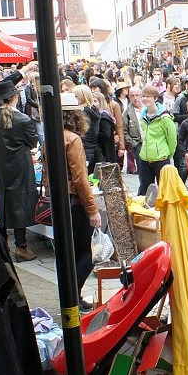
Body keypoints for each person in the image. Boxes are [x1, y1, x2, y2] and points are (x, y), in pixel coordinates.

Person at [0, 82, 38, 262]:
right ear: (15, 97)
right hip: (20, 166)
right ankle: (21, 247)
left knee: (3, 203)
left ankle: (3, 246)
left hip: (0, 166)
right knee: (20, 205)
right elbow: (33, 142)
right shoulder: (23, 119)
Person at [62, 103, 103, 314]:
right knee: (89, 253)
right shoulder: (73, 139)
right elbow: (80, 179)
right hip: (75, 203)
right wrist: (93, 209)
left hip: (62, 203)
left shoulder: (54, 136)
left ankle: (74, 298)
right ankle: (72, 297)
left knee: (77, 252)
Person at [137, 84, 176, 196]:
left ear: (155, 98)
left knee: (164, 192)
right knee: (146, 191)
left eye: (148, 96)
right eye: (143, 96)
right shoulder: (143, 116)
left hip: (161, 158)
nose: (145, 99)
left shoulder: (164, 117)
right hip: (145, 158)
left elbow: (172, 139)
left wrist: (168, 155)